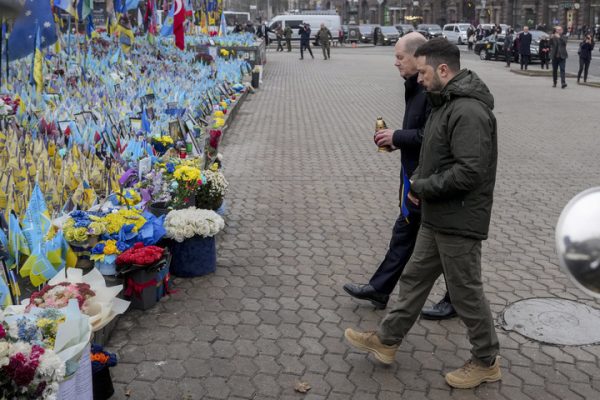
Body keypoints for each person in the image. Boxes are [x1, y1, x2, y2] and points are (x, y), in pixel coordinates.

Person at [344, 38, 501, 390]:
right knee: (414, 278)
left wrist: (423, 186)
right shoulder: (444, 102)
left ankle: (486, 360)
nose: (420, 78)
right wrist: (418, 184)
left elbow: (469, 172)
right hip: (437, 213)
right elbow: (435, 152)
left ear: (443, 70)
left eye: (425, 71)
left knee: (465, 292)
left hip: (459, 219)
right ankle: (387, 340)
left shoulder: (469, 111)